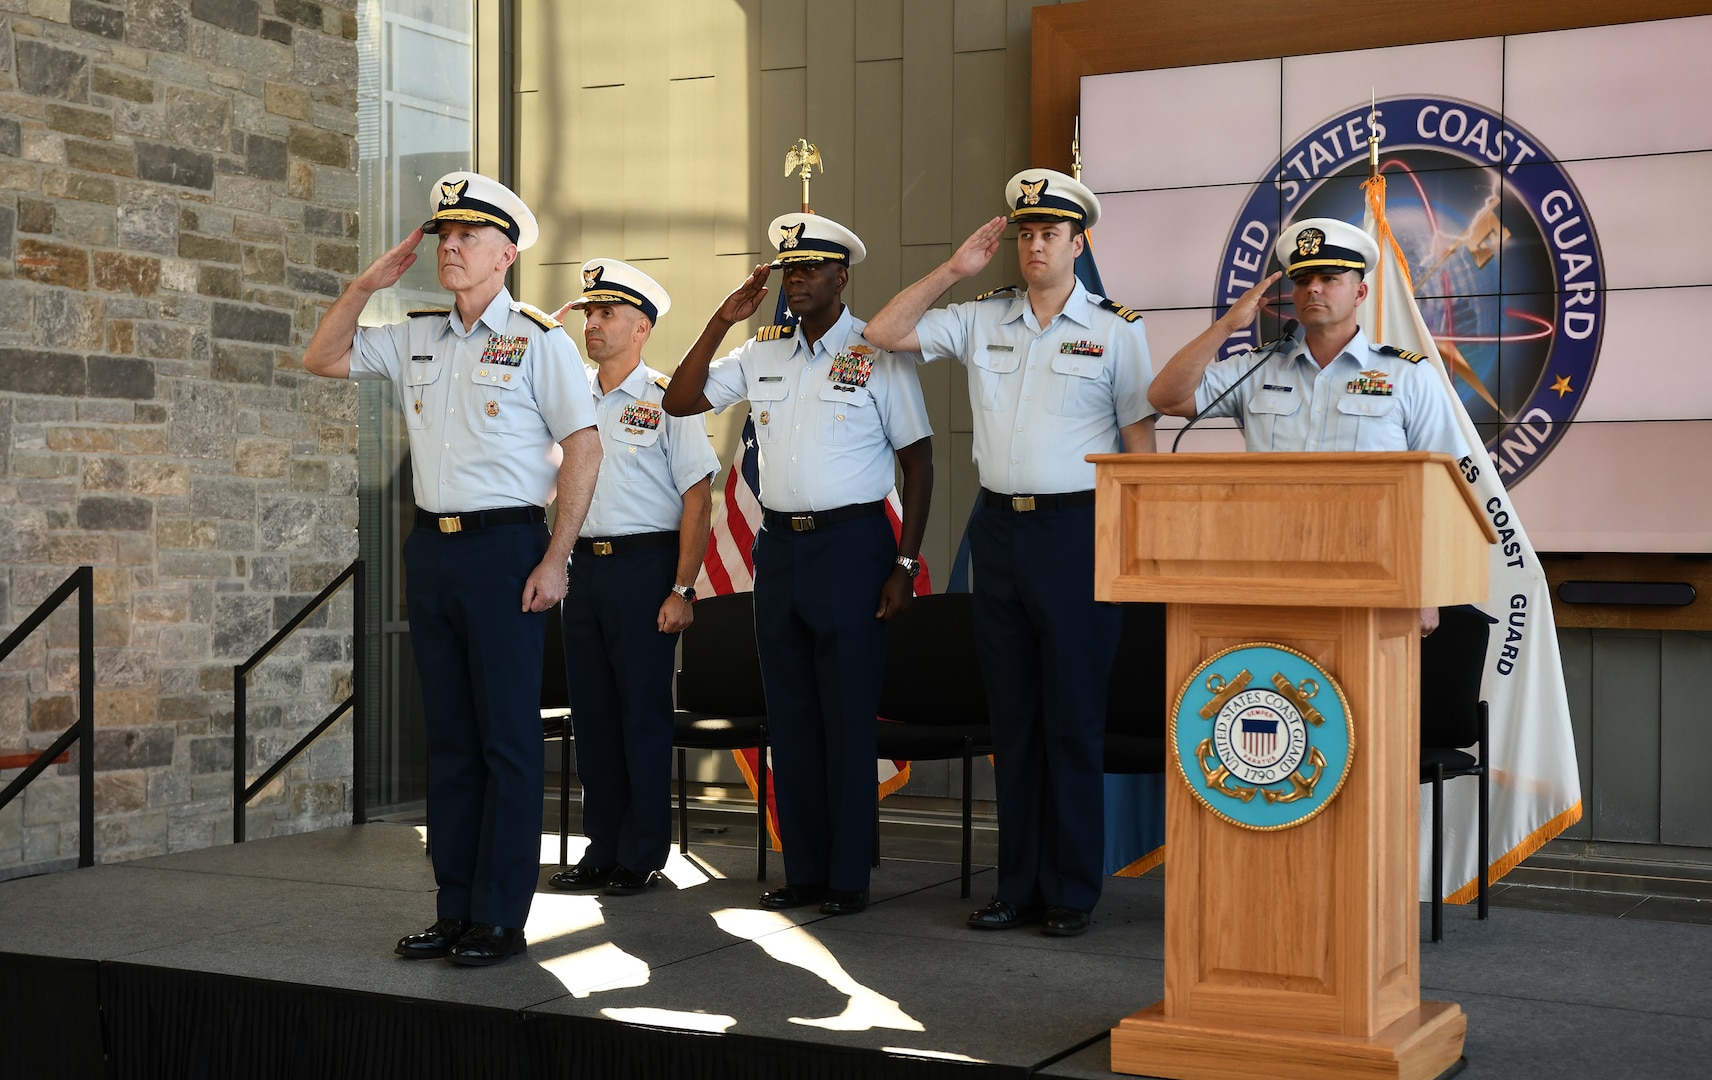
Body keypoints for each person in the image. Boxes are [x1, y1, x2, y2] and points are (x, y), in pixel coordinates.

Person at [303, 172, 601, 966]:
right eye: (444, 235)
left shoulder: (541, 342)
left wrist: (556, 558)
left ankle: (502, 916)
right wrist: (367, 284)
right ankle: (456, 908)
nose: (450, 248)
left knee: (507, 740)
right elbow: (320, 355)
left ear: (506, 254)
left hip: (507, 550)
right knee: (451, 742)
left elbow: (584, 447)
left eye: (468, 236)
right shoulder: (415, 333)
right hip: (431, 549)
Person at [865, 168, 1156, 938]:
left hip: (1077, 532)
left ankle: (1069, 892)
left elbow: (1139, 444)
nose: (1034, 244)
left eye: (1049, 233)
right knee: (1013, 719)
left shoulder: (1117, 328)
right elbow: (884, 333)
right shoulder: (980, 316)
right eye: (1025, 233)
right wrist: (952, 271)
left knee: (1071, 718)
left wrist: (1136, 546)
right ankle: (1017, 885)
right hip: (999, 533)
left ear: (1077, 242)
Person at [662, 213, 933, 917]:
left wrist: (904, 560)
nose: (799, 278)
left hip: (852, 547)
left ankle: (846, 878)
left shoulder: (877, 353)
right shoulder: (762, 351)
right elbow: (679, 399)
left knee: (845, 718)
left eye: (813, 268)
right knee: (792, 717)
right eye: (790, 269)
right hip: (779, 549)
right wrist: (722, 320)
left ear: (843, 276)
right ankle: (805, 871)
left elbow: (919, 461)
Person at [1145, 216, 1468, 635]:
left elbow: (1447, 485)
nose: (1313, 288)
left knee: (1360, 700)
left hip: (1374, 569)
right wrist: (1226, 326)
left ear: (1360, 292)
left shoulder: (1409, 376)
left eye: (1329, 278)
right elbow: (1166, 397)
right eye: (1302, 280)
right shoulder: (1258, 368)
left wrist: (1429, 590)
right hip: (1268, 567)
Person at [544, 259, 719, 897]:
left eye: (606, 313)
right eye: (589, 313)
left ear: (641, 326)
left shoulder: (668, 399)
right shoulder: (569, 399)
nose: (591, 323)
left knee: (641, 716)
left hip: (647, 567)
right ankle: (604, 847)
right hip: (582, 568)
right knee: (592, 716)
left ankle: (643, 851)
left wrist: (682, 587)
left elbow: (698, 499)